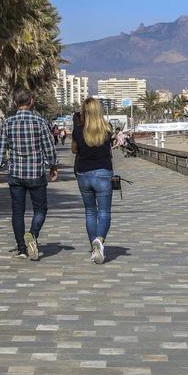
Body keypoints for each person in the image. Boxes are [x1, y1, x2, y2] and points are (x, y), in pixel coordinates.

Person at [0, 88, 59, 261]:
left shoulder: (8, 122)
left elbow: (1, 147)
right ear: (32, 102)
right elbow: (48, 147)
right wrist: (52, 165)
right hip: (36, 173)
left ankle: (21, 248)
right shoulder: (40, 122)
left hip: (15, 174)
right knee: (41, 209)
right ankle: (32, 235)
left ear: (15, 103)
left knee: (17, 212)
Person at [73, 98, 114, 264]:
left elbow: (74, 150)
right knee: (104, 212)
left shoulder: (77, 130)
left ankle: (94, 246)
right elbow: (108, 149)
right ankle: (99, 241)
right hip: (103, 172)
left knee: (90, 211)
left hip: (83, 174)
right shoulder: (107, 128)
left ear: (84, 111)